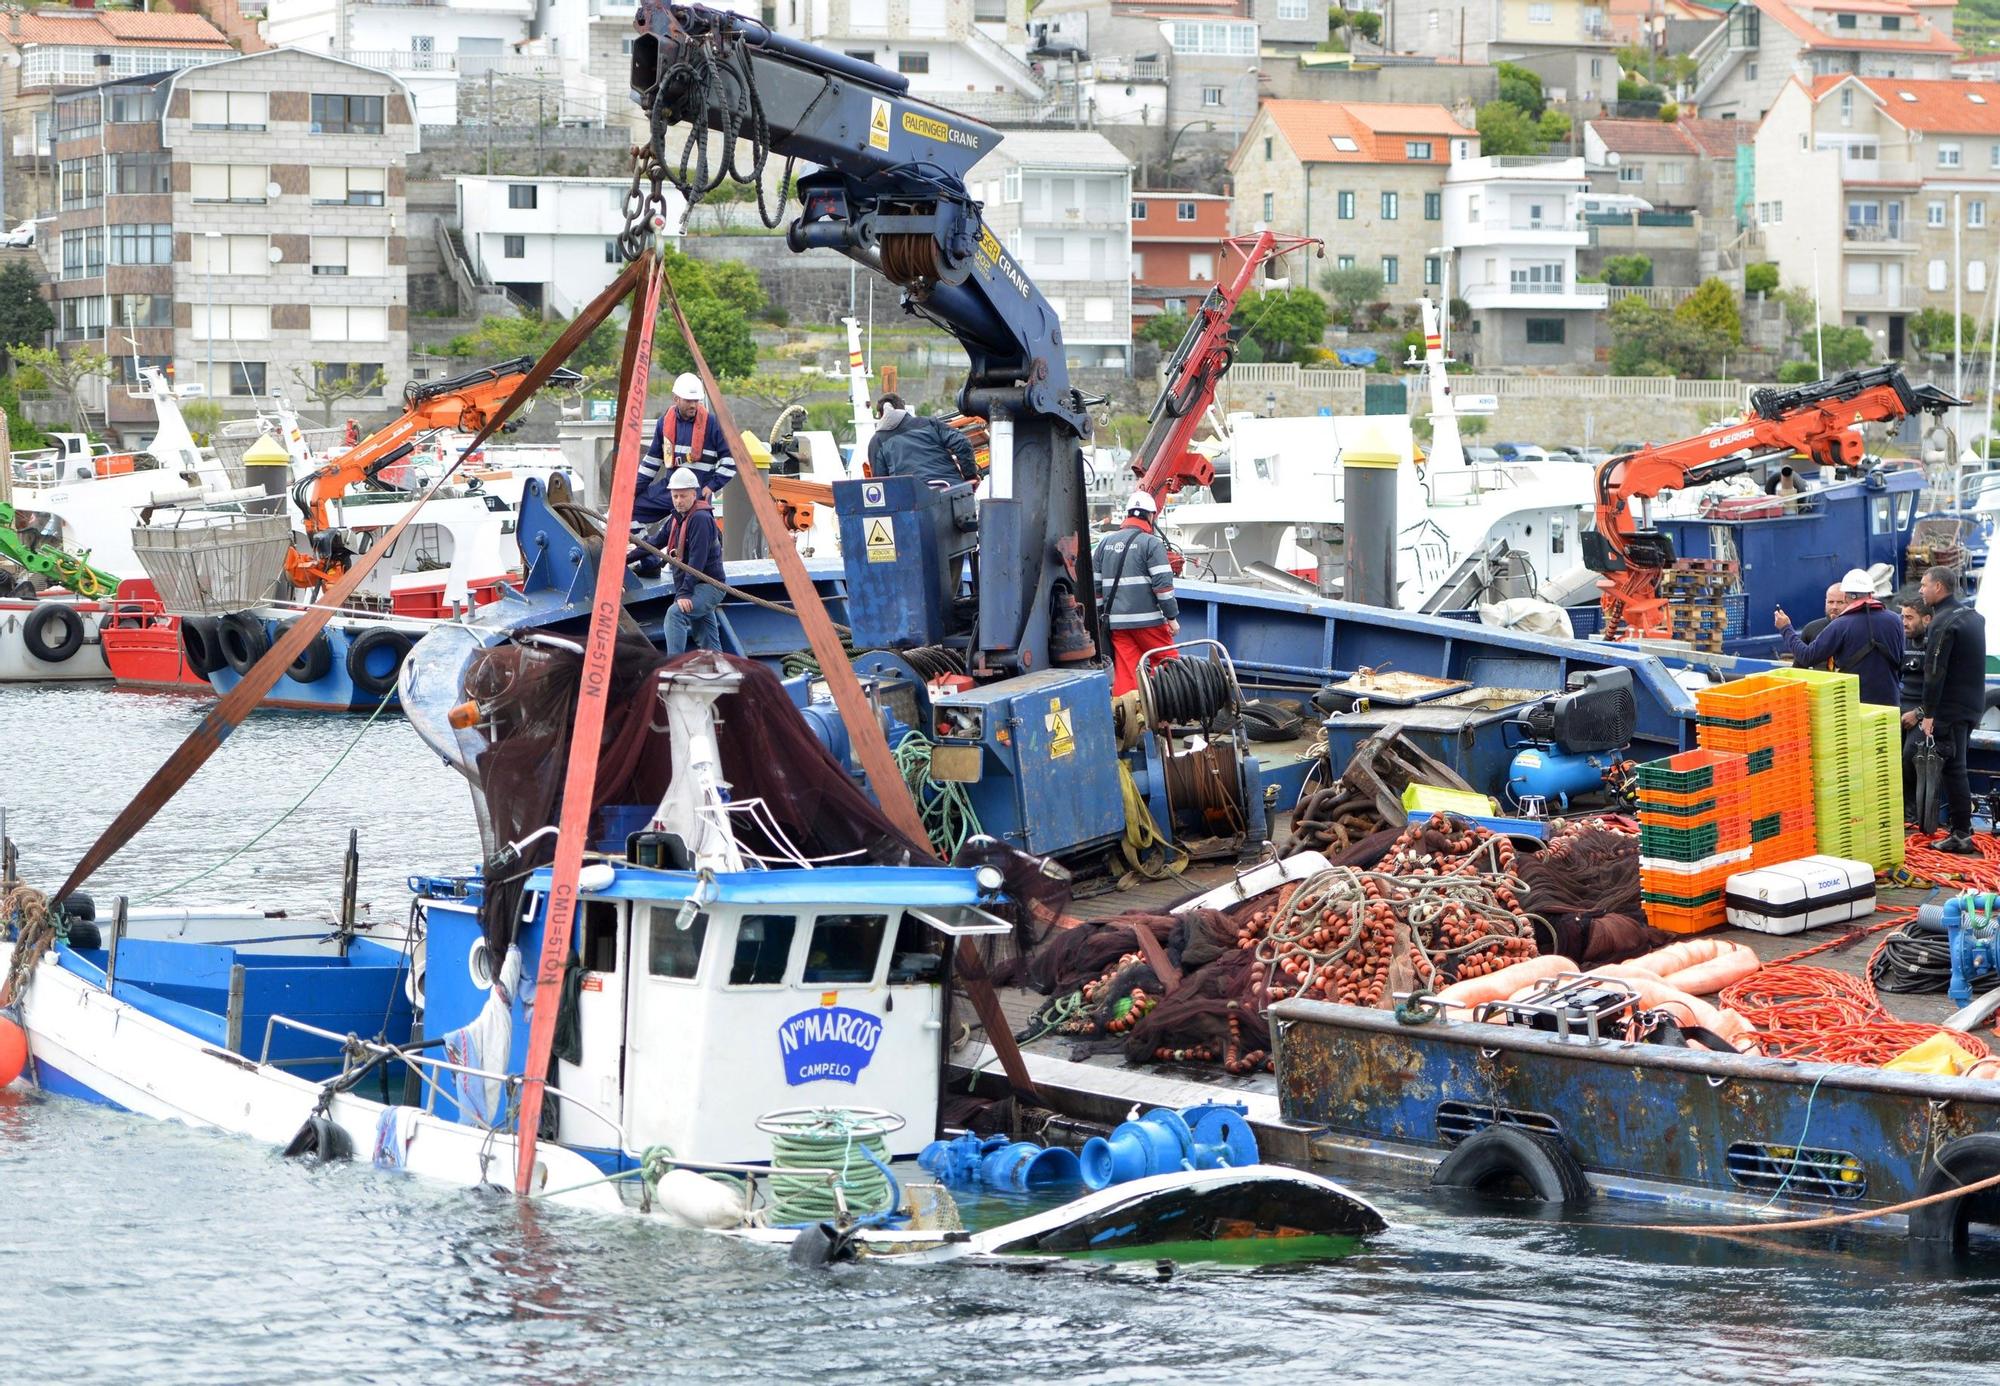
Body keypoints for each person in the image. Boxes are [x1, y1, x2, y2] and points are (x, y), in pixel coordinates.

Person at [1918, 564, 1987, 852]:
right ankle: (1962, 828)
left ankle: (1961, 832)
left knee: (1953, 769)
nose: (1920, 590)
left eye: (1924, 585)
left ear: (1938, 587)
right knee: (1957, 766)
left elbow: (1934, 671)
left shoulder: (1943, 622)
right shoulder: (1973, 616)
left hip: (1951, 710)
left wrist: (1928, 713)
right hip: (1973, 706)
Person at [1773, 568, 1903, 707]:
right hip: (1890, 706)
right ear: (1871, 594)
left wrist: (1786, 628)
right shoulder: (1896, 620)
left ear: (1846, 597)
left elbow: (1807, 656)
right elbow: (1900, 660)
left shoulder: (1841, 624)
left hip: (1855, 706)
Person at [633, 467, 727, 656]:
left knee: (675, 614)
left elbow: (697, 560)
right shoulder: (676, 518)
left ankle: (673, 666)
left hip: (708, 586)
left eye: (683, 496)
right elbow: (654, 544)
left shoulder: (700, 518)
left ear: (694, 494)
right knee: (708, 640)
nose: (678, 501)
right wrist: (624, 559)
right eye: (675, 496)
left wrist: (684, 593)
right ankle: (722, 671)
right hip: (695, 586)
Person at [1093, 491, 1179, 696]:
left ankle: (1132, 721)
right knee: (1170, 665)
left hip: (1117, 624)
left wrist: (1101, 617)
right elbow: (1163, 586)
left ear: (1128, 514)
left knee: (1127, 673)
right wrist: (1172, 618)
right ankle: (1167, 711)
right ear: (1150, 516)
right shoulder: (1151, 543)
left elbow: (1096, 588)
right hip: (1149, 623)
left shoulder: (1105, 544)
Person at [635, 374, 737, 525]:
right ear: (676, 399)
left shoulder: (713, 424)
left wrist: (712, 486)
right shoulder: (664, 423)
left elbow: (730, 461)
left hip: (696, 493)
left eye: (696, 401)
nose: (693, 405)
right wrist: (632, 491)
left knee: (689, 532)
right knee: (631, 510)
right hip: (669, 489)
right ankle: (645, 547)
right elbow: (651, 462)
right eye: (688, 400)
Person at [866, 392, 979, 488]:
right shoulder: (929, 423)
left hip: (912, 501)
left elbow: (881, 484)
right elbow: (962, 443)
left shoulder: (876, 442)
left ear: (880, 415)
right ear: (904, 409)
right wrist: (970, 476)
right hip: (951, 490)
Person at [1900, 601, 1933, 819]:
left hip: (1923, 710)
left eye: (1910, 618)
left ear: (1926, 619)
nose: (1904, 623)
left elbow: (1942, 688)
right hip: (1900, 705)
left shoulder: (1935, 644)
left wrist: (1919, 713)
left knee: (1910, 755)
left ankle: (1912, 812)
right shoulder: (1901, 639)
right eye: (1903, 617)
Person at [1792, 582, 1847, 666]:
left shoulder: (1857, 629)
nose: (1834, 607)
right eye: (1830, 602)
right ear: (1825, 602)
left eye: (1840, 602)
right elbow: (1798, 668)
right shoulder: (1811, 629)